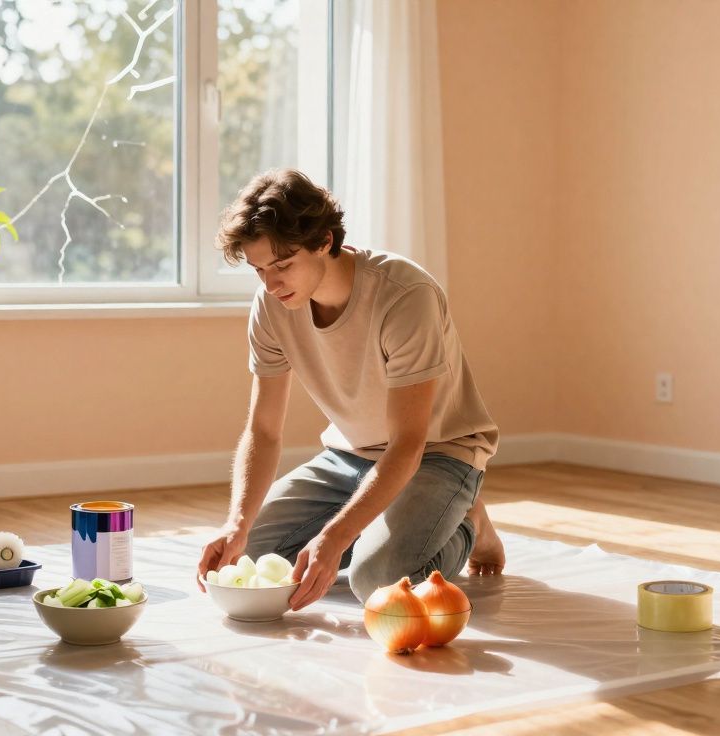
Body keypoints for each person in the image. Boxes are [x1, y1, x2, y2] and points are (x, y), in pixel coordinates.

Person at [196, 169, 506, 611]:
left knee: (377, 580)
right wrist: (235, 524)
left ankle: (467, 522)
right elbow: (263, 430)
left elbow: (408, 444)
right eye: (259, 269)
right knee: (245, 560)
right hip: (349, 455)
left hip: (438, 452)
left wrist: (335, 535)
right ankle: (391, 521)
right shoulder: (272, 304)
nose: (270, 284)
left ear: (324, 241)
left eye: (283, 266)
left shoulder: (405, 295)